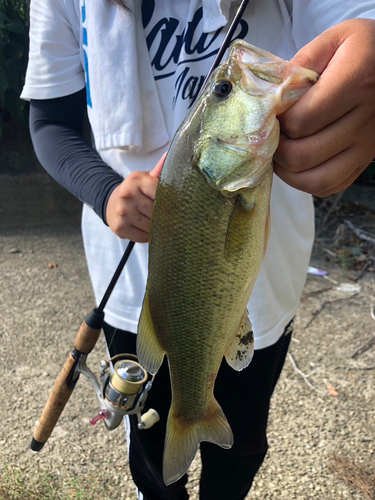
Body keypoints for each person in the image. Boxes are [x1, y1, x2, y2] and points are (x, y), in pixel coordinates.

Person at [21, 1, 375, 499]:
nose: (234, 76)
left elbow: (357, 23)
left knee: (242, 445)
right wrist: (105, 192)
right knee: (150, 452)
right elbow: (49, 123)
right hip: (130, 291)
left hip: (263, 292)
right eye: (227, 88)